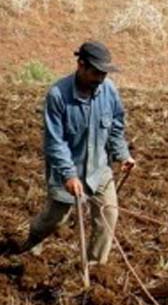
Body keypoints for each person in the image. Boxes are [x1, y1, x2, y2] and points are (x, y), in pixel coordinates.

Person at [2, 41, 135, 263]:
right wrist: (69, 174)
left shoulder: (109, 90)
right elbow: (55, 142)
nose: (100, 78)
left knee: (108, 215)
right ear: (80, 65)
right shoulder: (58, 95)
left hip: (99, 170)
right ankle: (32, 242)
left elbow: (116, 126)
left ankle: (95, 267)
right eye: (95, 73)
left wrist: (122, 153)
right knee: (55, 219)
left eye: (104, 73)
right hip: (69, 171)